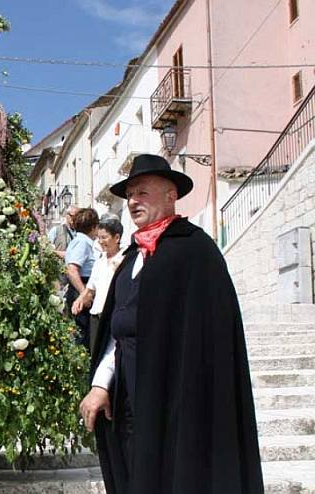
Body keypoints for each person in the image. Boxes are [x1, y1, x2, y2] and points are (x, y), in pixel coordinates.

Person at [79, 154, 263, 494]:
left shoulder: (195, 252)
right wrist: (101, 384)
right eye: (130, 194)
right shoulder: (130, 259)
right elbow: (118, 334)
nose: (133, 200)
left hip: (179, 405)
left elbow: (213, 341)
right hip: (131, 404)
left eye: (143, 192)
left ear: (170, 196)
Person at [72, 218, 125, 354]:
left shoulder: (125, 259)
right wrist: (79, 301)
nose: (100, 242)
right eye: (98, 238)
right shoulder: (99, 262)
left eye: (104, 238)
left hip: (115, 315)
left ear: (117, 237)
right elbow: (90, 290)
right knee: (97, 354)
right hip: (96, 316)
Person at [64, 207, 99, 348]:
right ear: (93, 227)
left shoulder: (79, 241)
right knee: (83, 334)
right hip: (82, 286)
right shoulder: (83, 243)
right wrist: (84, 293)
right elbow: (72, 269)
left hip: (82, 288)